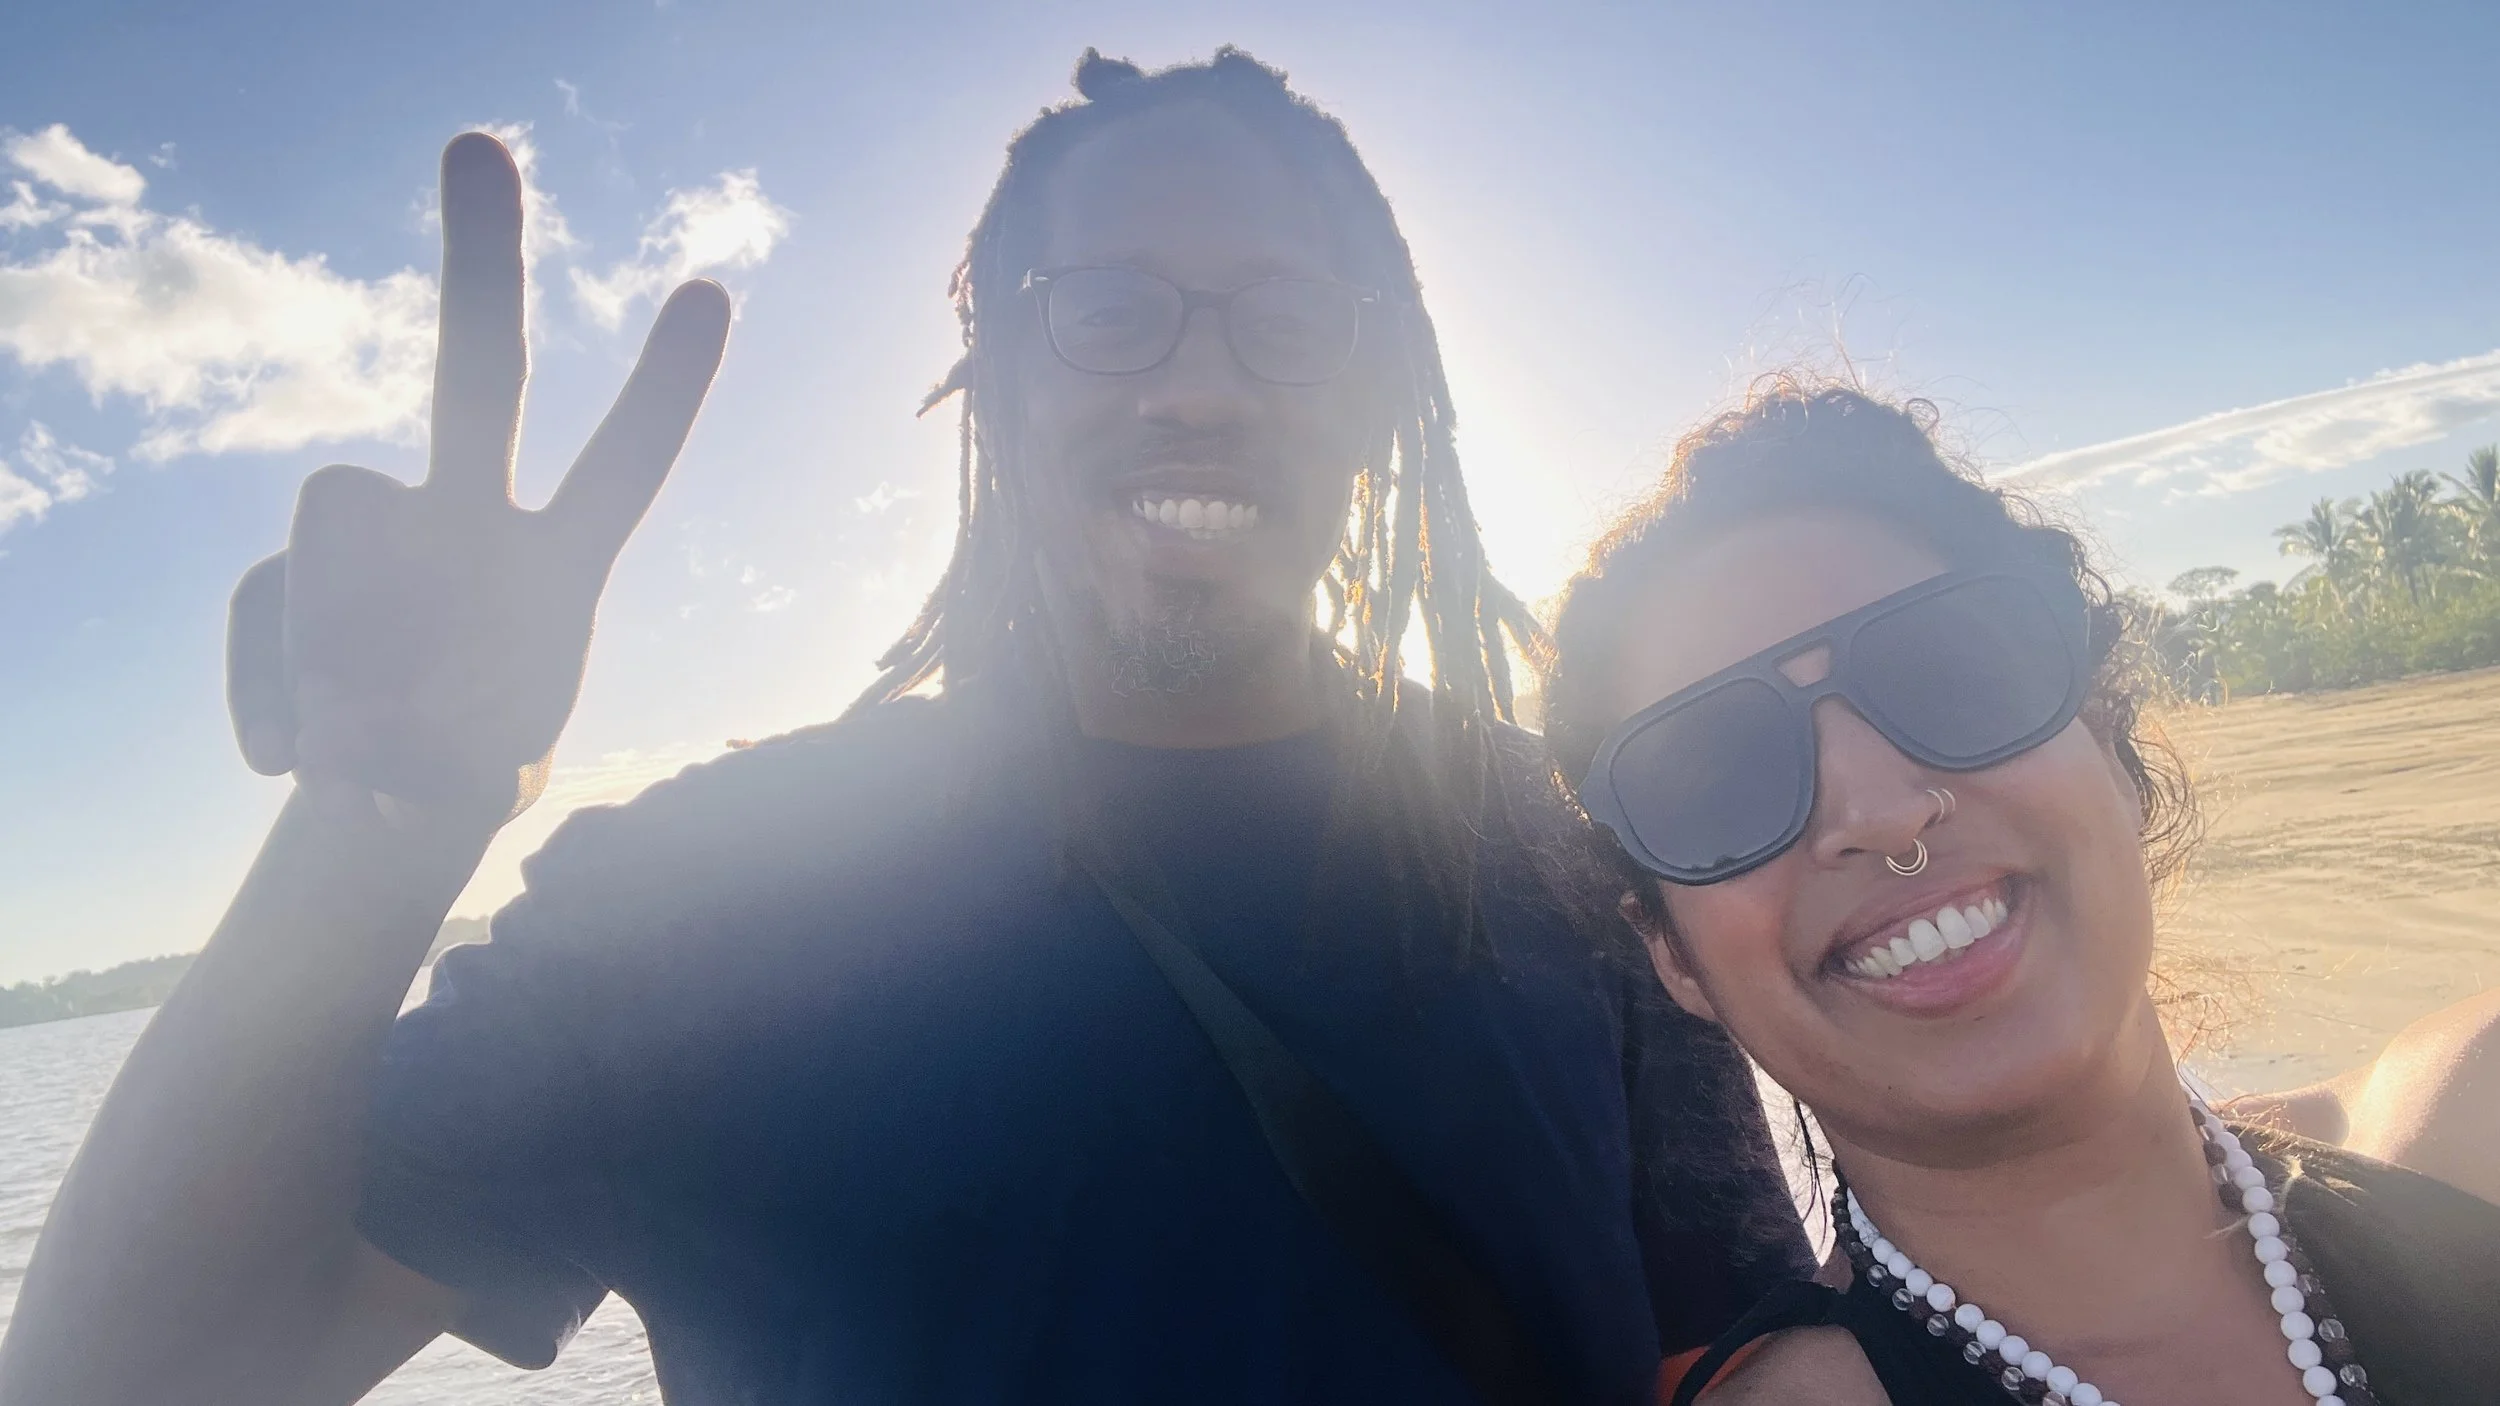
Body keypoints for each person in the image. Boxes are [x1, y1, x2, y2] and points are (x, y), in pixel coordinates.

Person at [0, 51, 1810, 1406]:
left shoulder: (1561, 858)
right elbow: (129, 1373)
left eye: (1284, 320)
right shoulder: (701, 904)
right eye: (1106, 315)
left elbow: (1739, 1344)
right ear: (994, 385)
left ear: (1382, 391)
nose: (1197, 381)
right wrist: (381, 814)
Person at [1539, 381, 2500, 1406]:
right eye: (1712, 773)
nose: (1882, 808)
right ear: (1673, 954)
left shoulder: (2465, 1130)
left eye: (1952, 667)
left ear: (2112, 751)